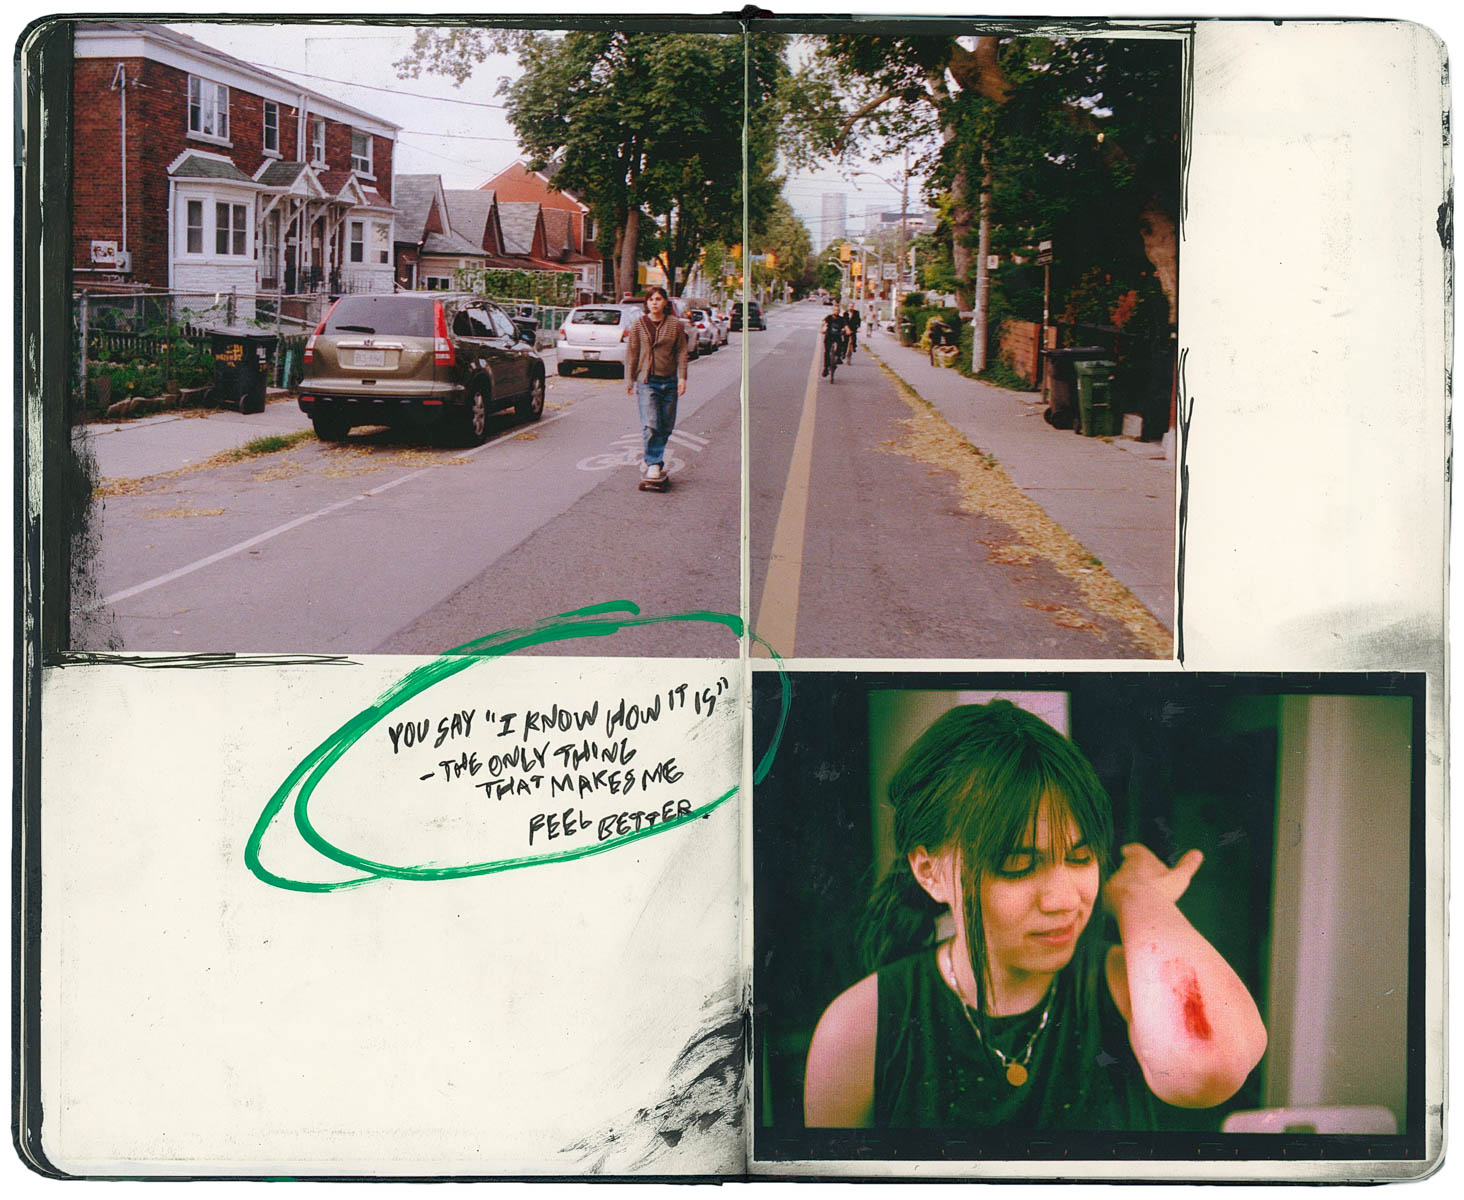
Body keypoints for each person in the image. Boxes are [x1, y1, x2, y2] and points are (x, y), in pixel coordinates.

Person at [803, 701, 1267, 1130]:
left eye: (1082, 858)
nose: (1063, 901)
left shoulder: (1123, 986)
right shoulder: (861, 1028)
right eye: (1018, 867)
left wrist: (1139, 897)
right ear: (930, 872)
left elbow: (1211, 1071)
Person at [624, 286, 689, 483]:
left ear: (665, 303)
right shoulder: (638, 325)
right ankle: (653, 462)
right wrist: (630, 380)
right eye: (651, 299)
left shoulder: (675, 325)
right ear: (646, 303)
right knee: (651, 424)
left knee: (666, 425)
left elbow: (681, 352)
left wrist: (682, 377)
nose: (654, 302)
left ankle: (652, 456)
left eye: (658, 299)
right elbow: (632, 353)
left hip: (669, 381)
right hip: (647, 382)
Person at [820, 305, 849, 378]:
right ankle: (826, 368)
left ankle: (837, 359)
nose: (836, 311)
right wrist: (822, 329)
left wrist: (847, 330)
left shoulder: (841, 319)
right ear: (833, 311)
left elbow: (845, 326)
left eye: (838, 310)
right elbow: (824, 323)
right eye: (835, 310)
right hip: (829, 336)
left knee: (840, 346)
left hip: (837, 336)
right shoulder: (829, 317)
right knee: (827, 352)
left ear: (839, 311)